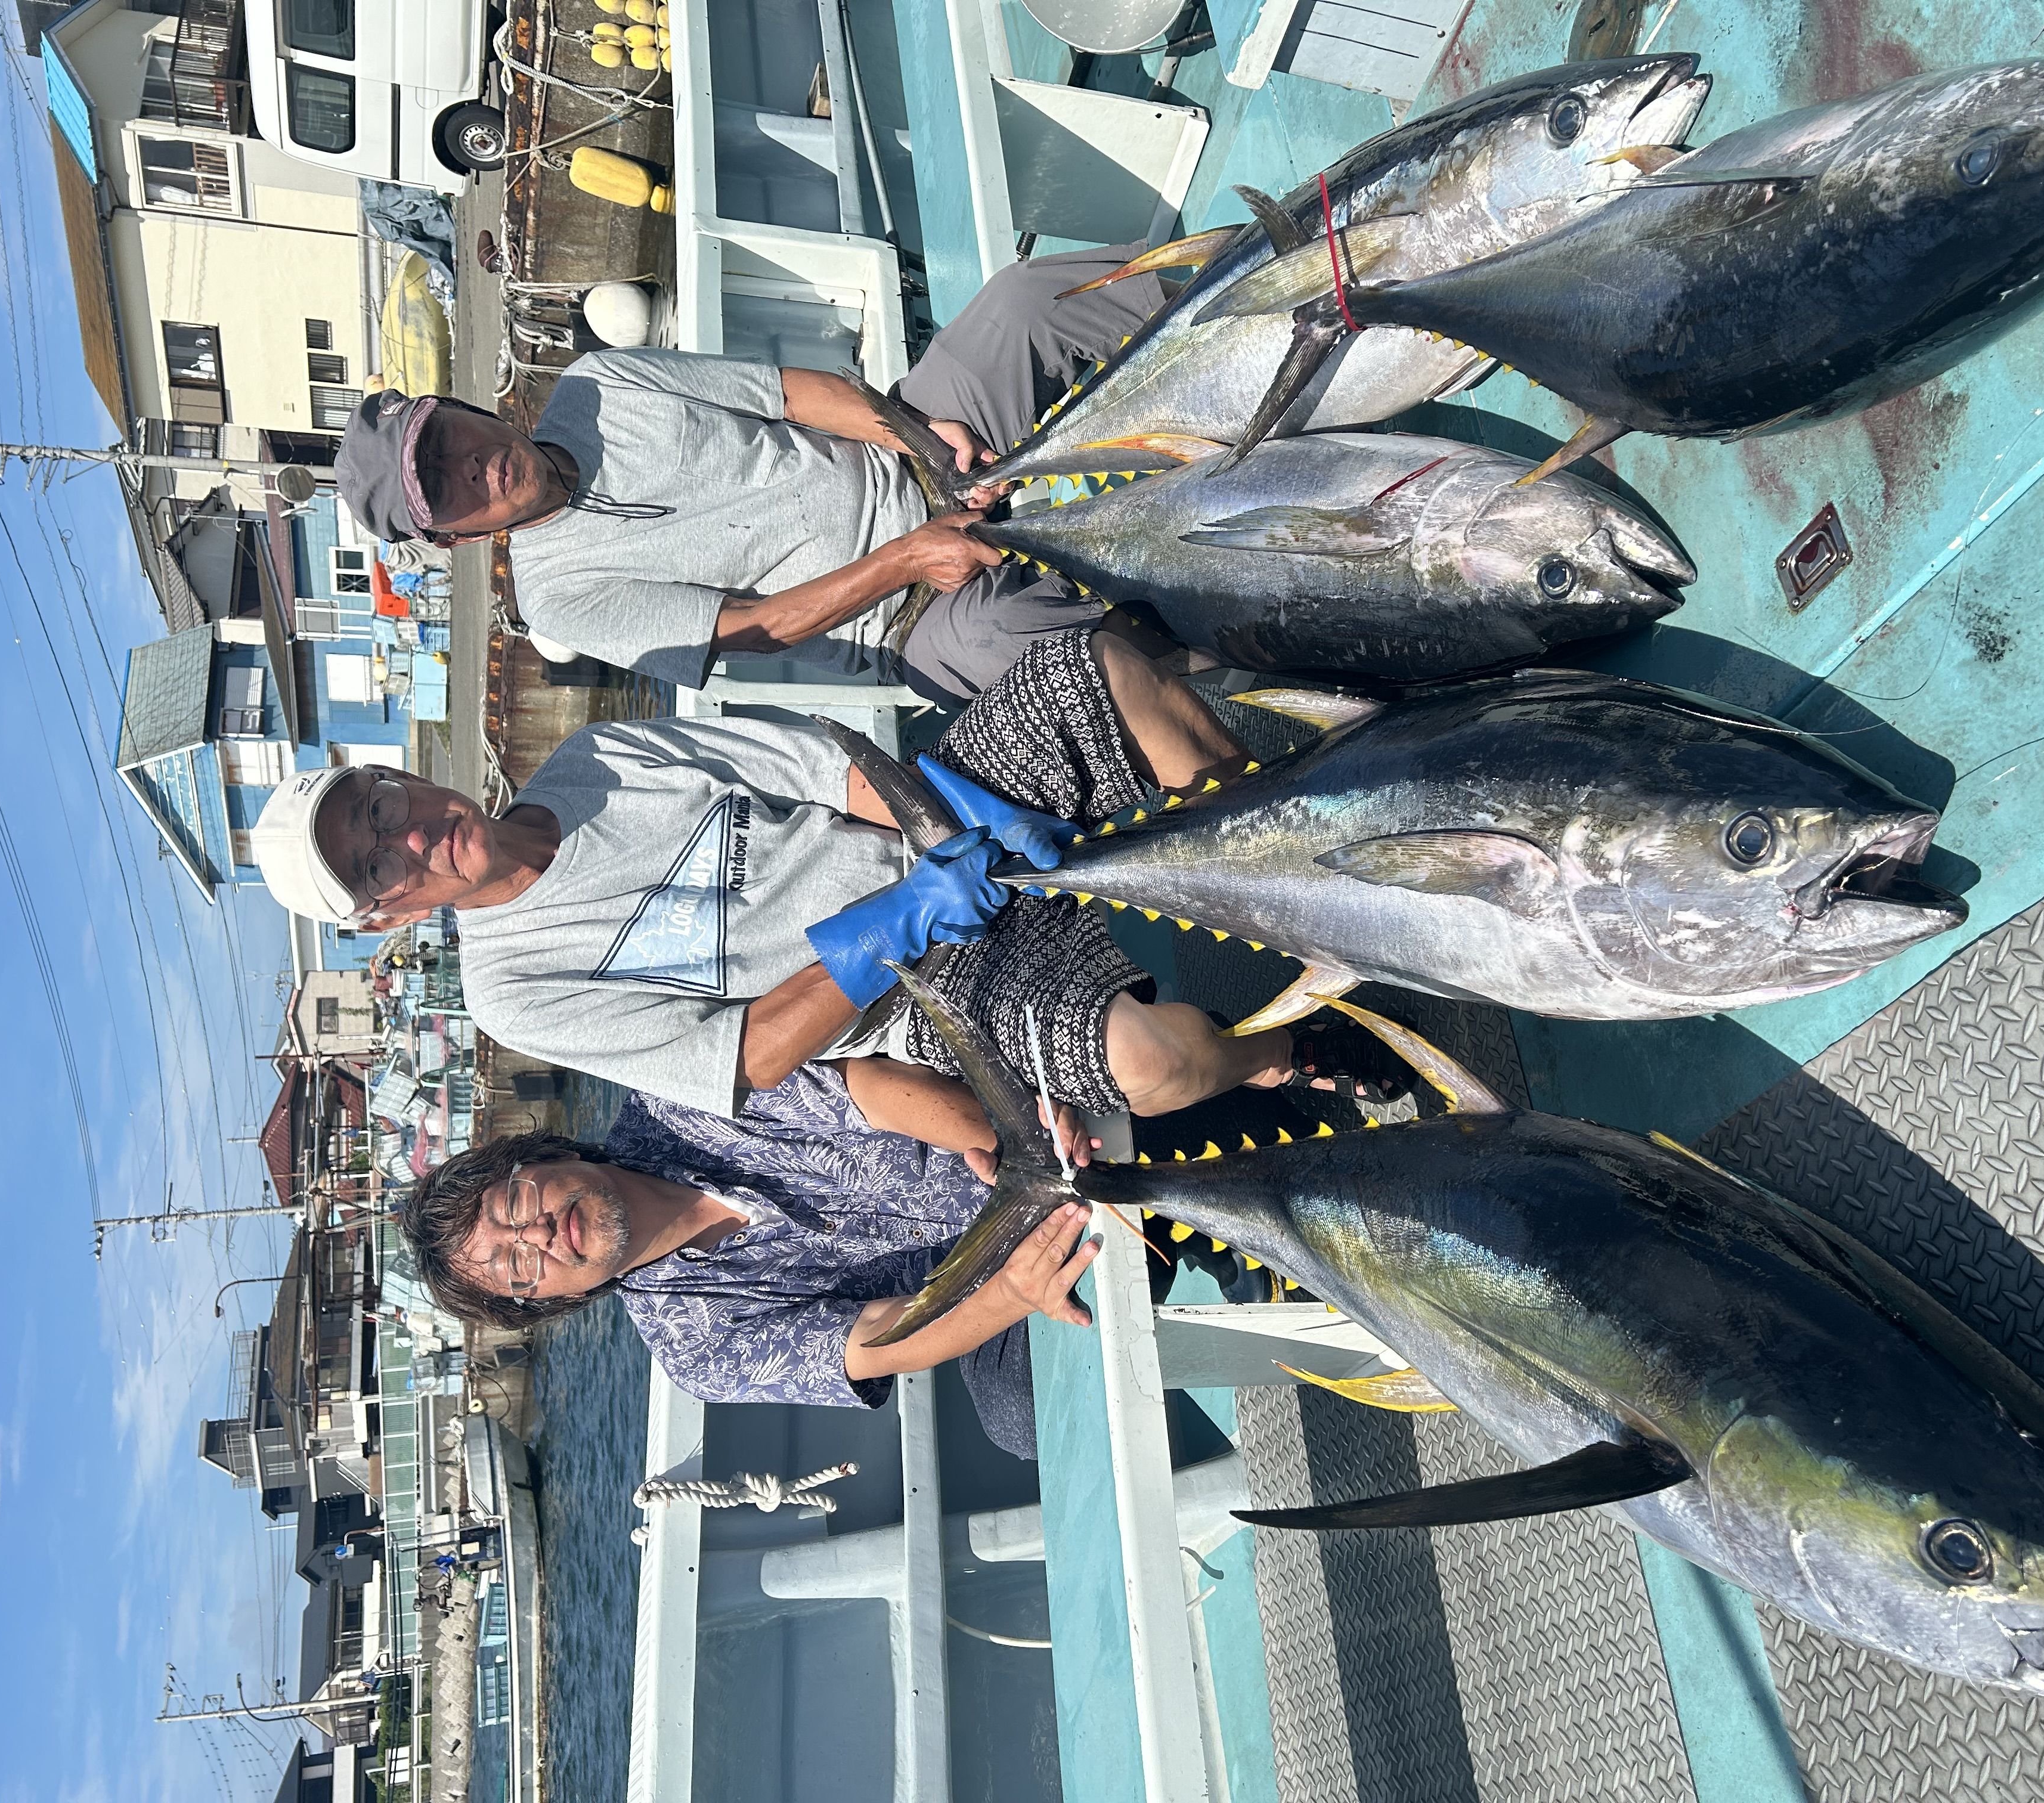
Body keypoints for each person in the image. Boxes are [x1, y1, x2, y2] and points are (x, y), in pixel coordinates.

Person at [251, 628, 1405, 1142]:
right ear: (385, 914)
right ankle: (1283, 1049)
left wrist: (956, 825)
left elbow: (822, 768)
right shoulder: (514, 991)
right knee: (1155, 1063)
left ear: (399, 773)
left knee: (1097, 667)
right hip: (923, 984)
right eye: (376, 860)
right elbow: (745, 1058)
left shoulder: (597, 757)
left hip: (930, 829)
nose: (410, 834)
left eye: (380, 803)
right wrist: (892, 928)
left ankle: (1312, 853)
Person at [333, 244, 1170, 702]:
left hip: (906, 457)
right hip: (909, 614)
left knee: (1024, 302)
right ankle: (1222, 631)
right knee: (1026, 653)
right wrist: (912, 557)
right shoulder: (557, 597)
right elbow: (759, 628)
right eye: (442, 486)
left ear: (462, 405)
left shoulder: (598, 383)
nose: (472, 464)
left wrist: (921, 438)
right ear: (453, 539)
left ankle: (1239, 291)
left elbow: (793, 395)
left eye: (446, 437)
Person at [397, 1066, 1105, 1457]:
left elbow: (870, 1090)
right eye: (518, 1267)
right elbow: (879, 1339)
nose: (539, 1234)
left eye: (514, 1204)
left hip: (989, 1139)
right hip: (975, 1280)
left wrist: (1013, 1147)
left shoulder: (675, 1093)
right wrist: (1015, 1291)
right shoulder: (693, 1350)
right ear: (550, 1301)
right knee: (1016, 1416)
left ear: (542, 1156)